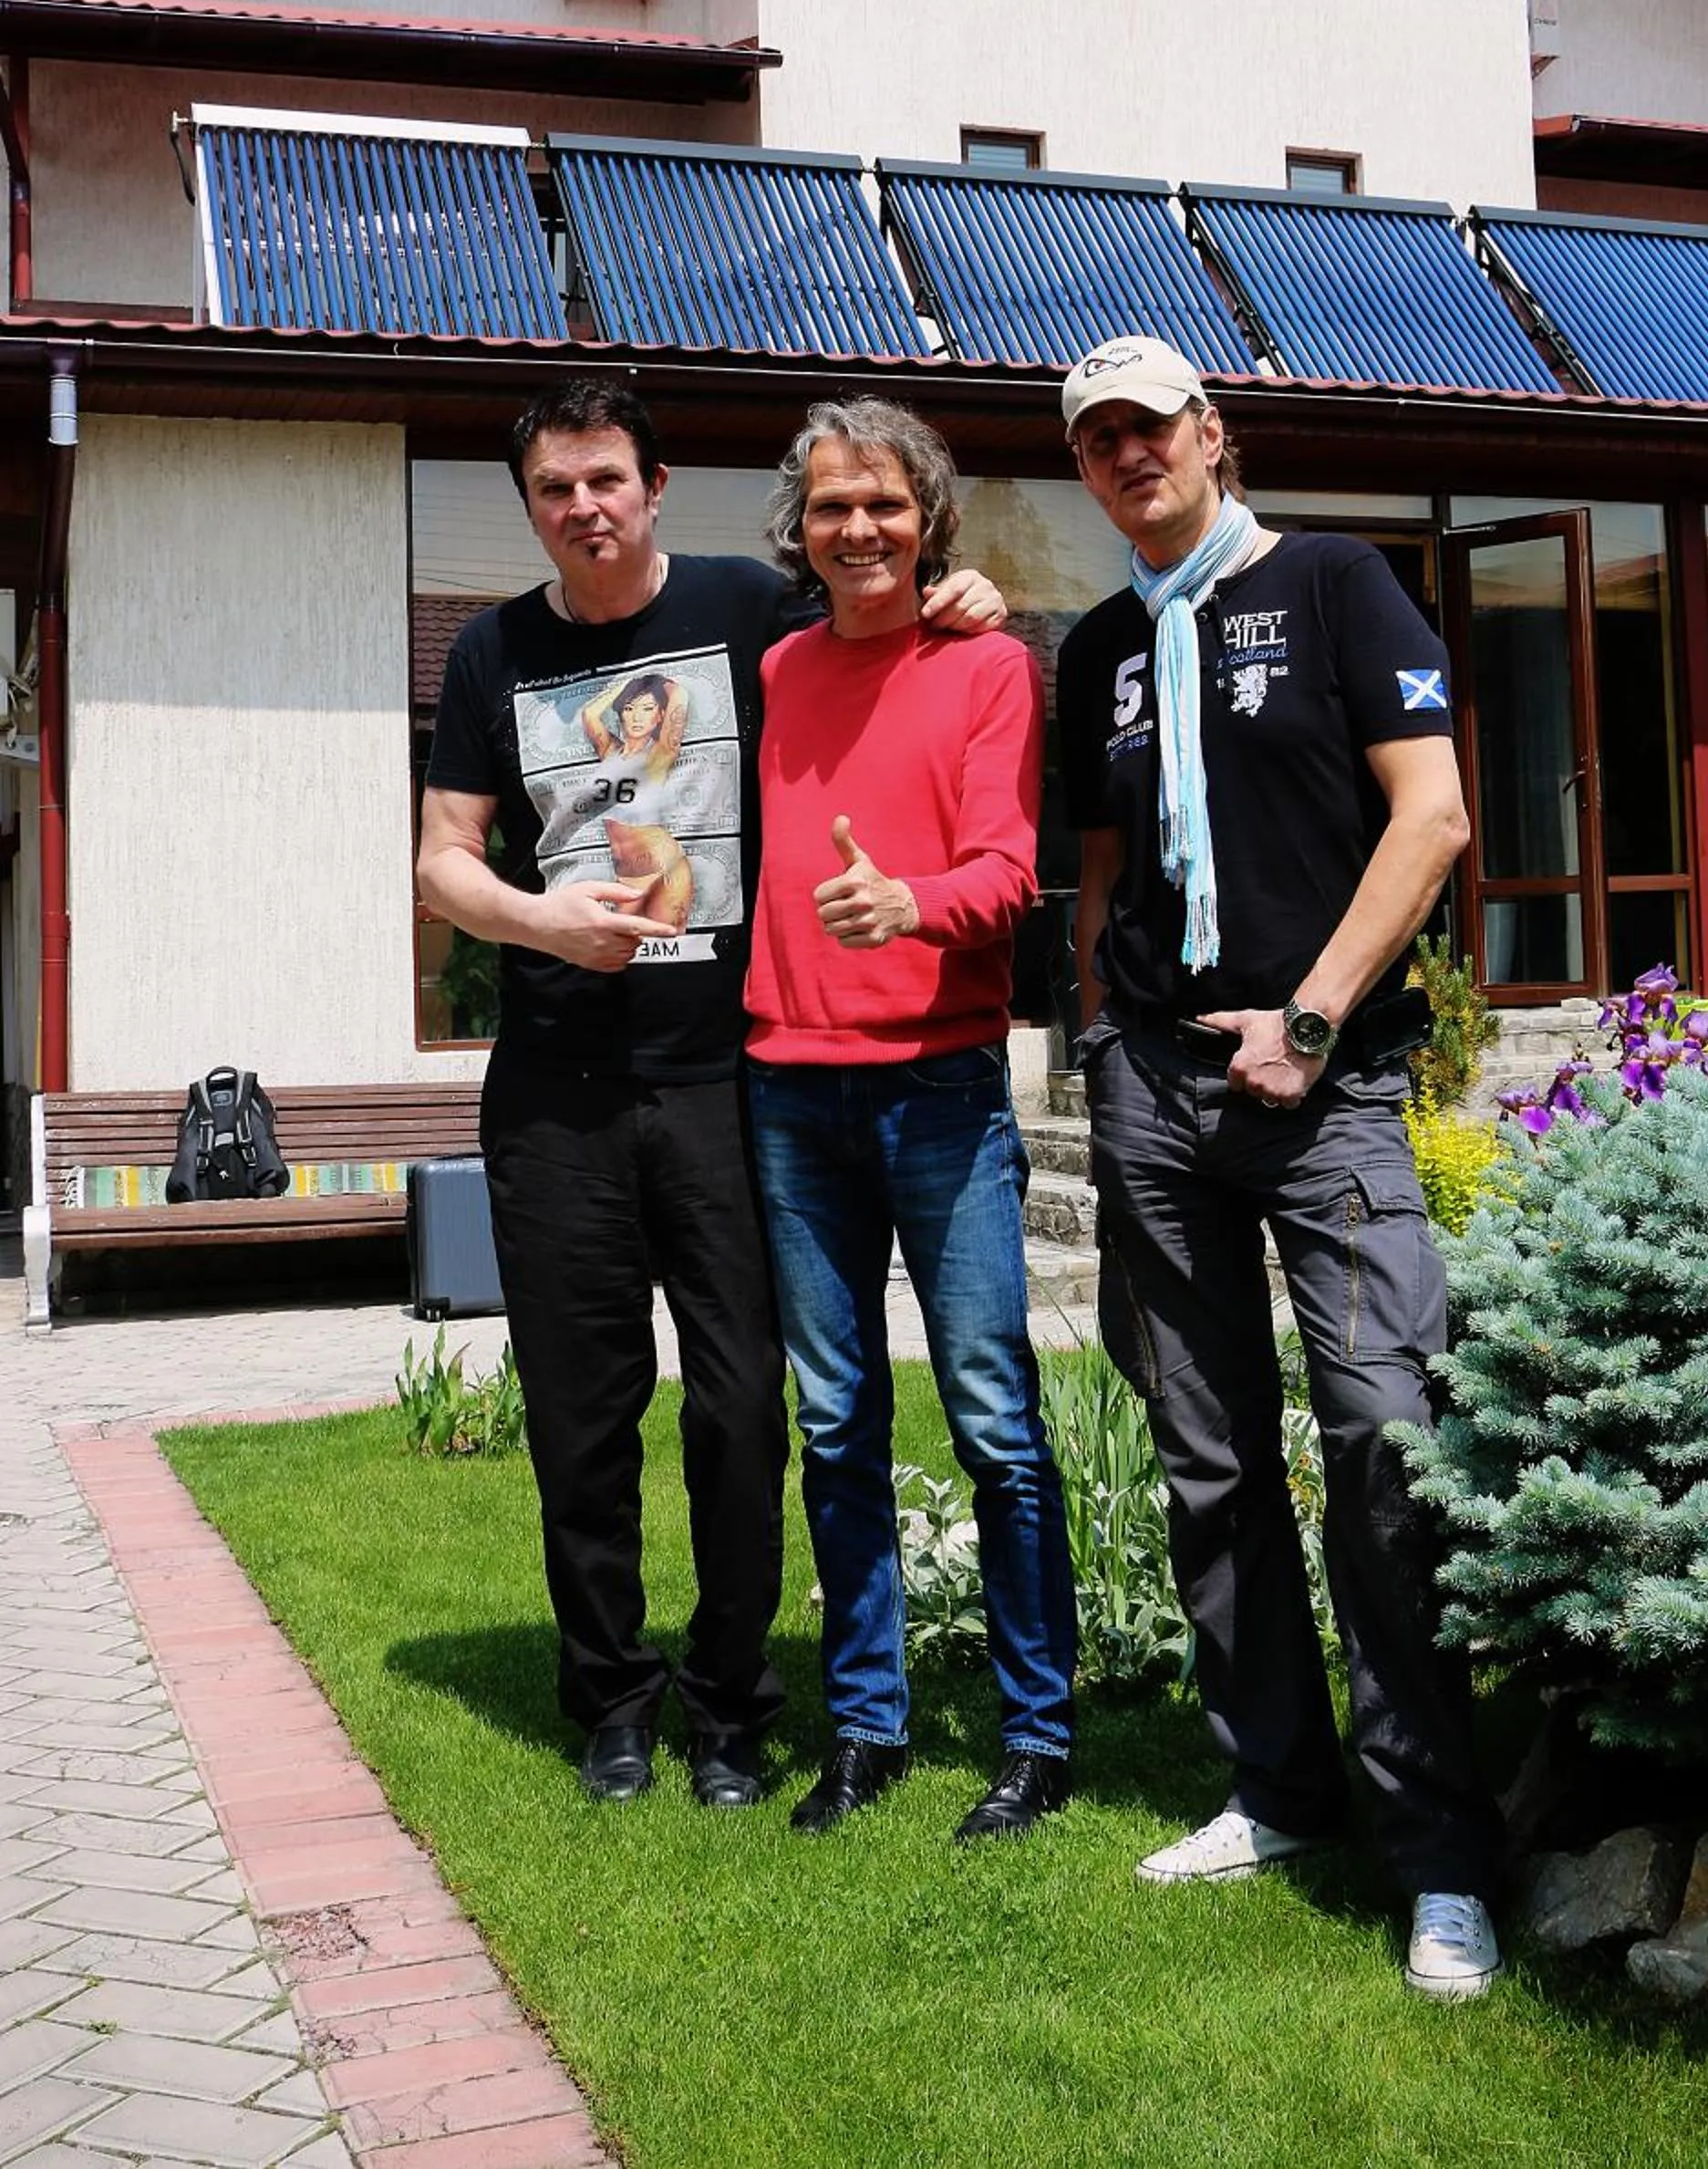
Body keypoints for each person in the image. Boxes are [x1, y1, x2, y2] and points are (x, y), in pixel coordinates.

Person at [417, 377, 1004, 1811]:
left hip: (728, 1082)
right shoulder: (494, 653)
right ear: (535, 507)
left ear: (655, 484)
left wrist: (954, 596)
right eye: (556, 489)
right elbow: (443, 859)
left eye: (606, 479)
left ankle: (733, 1703)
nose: (584, 508)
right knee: (581, 1412)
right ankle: (613, 1697)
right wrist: (542, 926)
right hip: (553, 1091)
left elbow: (871, 640)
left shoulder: (750, 608)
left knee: (745, 1406)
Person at [1053, 335, 1506, 1997]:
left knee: (1387, 1443)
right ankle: (1281, 1791)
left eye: (1149, 428)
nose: (1126, 457)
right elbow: (1101, 874)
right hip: (1157, 1102)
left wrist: (1310, 1018)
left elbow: (1436, 817)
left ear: (1212, 432)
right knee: (1208, 1458)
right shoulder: (1098, 644)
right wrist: (1110, 1033)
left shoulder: (1333, 584)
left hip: (1328, 1099)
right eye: (1097, 442)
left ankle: (1443, 1858)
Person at [744, 397, 1078, 1841]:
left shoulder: (992, 665)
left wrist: (912, 904)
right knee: (836, 1428)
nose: (859, 528)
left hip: (940, 1083)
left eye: (884, 503)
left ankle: (1036, 1736)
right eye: (833, 507)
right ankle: (865, 1729)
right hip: (788, 1086)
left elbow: (1012, 870)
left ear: (927, 517)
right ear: (799, 531)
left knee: (996, 1422)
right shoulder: (775, 667)